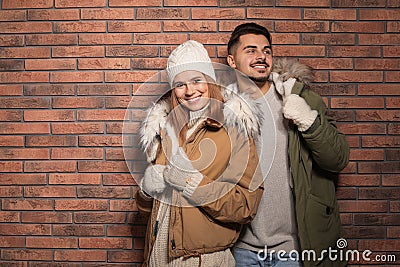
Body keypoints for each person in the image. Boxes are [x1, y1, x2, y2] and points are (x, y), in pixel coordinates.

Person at [226, 23, 350, 267]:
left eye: (267, 50)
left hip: (293, 248)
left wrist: (309, 121)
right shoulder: (221, 107)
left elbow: (336, 160)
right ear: (232, 61)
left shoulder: (297, 97)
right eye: (250, 50)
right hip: (240, 249)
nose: (261, 56)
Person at [135, 40, 264, 266]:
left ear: (209, 80)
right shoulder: (166, 129)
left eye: (196, 80)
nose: (189, 91)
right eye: (180, 84)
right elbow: (152, 212)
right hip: (157, 257)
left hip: (203, 260)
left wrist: (191, 182)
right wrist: (146, 193)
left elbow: (245, 205)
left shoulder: (234, 129)